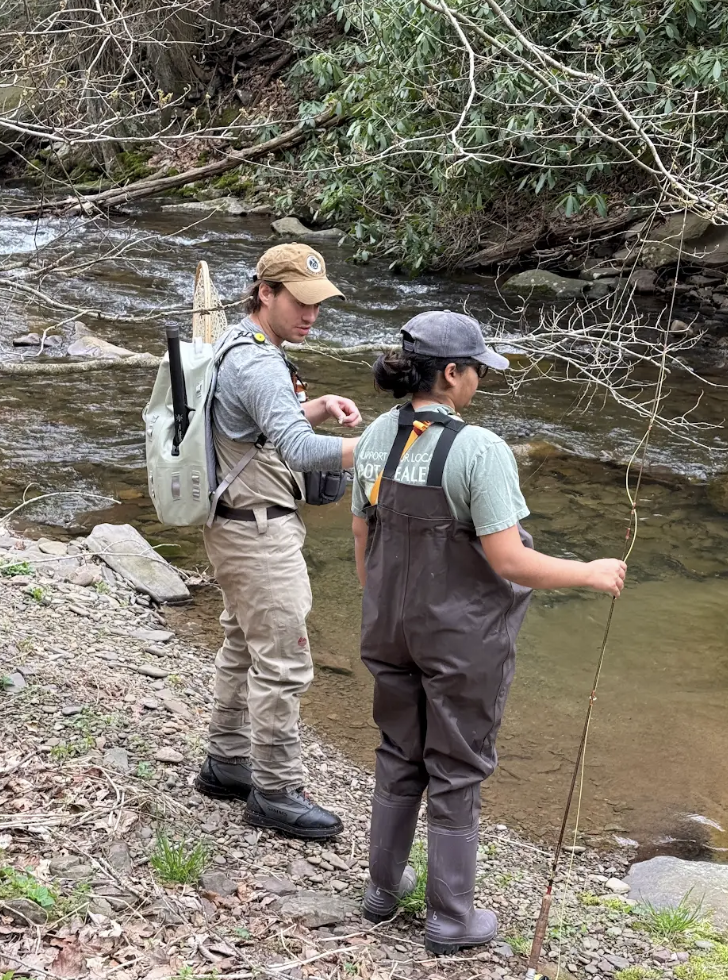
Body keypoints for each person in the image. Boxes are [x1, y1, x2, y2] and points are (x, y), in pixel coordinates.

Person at [351, 311, 627, 954]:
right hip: (458, 641)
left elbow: (364, 537)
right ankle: (451, 919)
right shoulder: (481, 450)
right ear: (451, 374)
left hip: (388, 630)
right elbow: (509, 562)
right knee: (457, 765)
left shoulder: (373, 439)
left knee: (399, 752)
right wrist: (587, 571)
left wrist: (383, 609)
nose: (479, 381)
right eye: (476, 370)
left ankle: (381, 893)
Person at [195, 243, 361, 840]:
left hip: (235, 524)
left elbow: (254, 422)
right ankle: (275, 790)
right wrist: (393, 448)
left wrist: (312, 406)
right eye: (302, 301)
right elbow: (302, 452)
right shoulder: (260, 363)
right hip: (258, 533)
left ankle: (226, 762)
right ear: (265, 293)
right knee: (284, 660)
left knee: (242, 644)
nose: (312, 314)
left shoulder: (240, 344)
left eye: (320, 303)